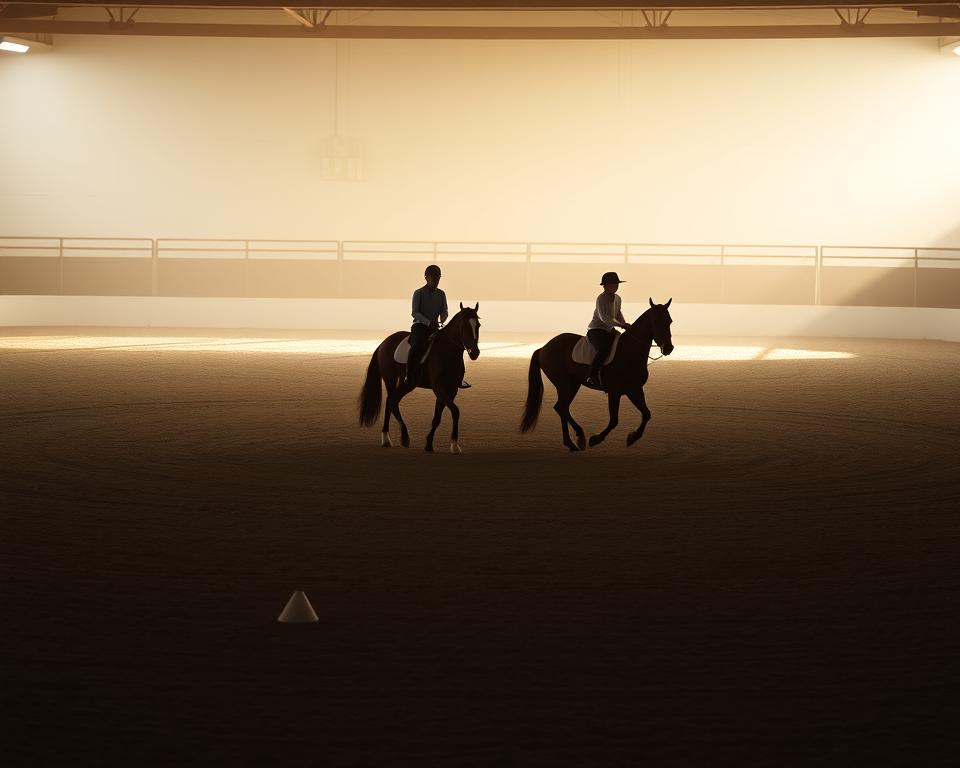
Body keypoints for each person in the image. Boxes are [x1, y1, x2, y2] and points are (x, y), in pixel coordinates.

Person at [585, 271, 630, 390]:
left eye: (617, 284)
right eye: (613, 284)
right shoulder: (601, 298)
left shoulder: (618, 298)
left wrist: (624, 323)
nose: (616, 286)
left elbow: (618, 313)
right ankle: (592, 375)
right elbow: (604, 318)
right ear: (605, 286)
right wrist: (621, 325)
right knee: (604, 349)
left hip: (609, 329)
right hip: (596, 329)